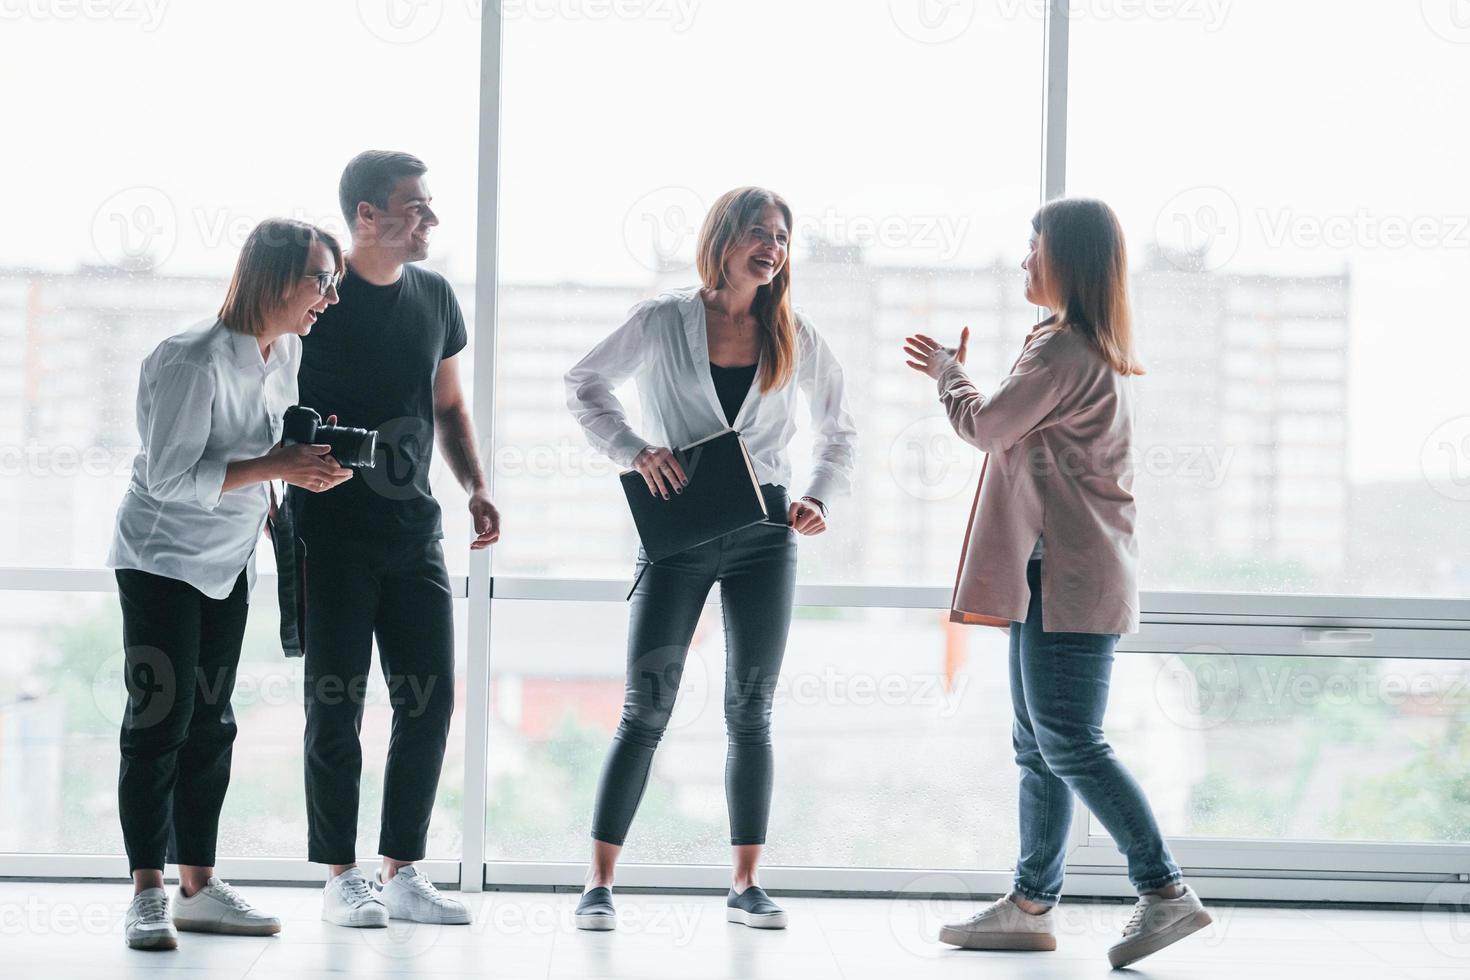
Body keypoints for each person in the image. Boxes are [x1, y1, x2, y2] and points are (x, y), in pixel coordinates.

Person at [902, 197, 1212, 968]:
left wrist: (949, 373)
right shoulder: (1063, 344)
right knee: (1038, 745)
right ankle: (1030, 904)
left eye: (1032, 248)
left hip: (1070, 578)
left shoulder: (1066, 353)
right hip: (1054, 576)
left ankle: (1166, 892)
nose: (1022, 261)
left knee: (1068, 742)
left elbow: (984, 427)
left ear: (1065, 260)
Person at [564, 186, 857, 931]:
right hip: (680, 533)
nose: (772, 246)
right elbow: (584, 384)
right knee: (646, 707)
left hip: (766, 535)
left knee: (749, 709)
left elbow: (838, 431)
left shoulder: (796, 334)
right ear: (723, 238)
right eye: (758, 232)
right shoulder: (664, 320)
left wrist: (819, 498)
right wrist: (633, 450)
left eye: (783, 237)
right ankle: (597, 886)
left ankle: (746, 883)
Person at [108, 219, 351, 950]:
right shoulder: (189, 360)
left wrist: (306, 454)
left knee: (211, 724)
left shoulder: (289, 352)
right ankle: (147, 892)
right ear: (276, 278)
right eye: (321, 280)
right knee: (159, 723)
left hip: (229, 559)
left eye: (334, 281)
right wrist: (280, 465)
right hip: (161, 560)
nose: (331, 297)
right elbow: (169, 478)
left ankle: (197, 887)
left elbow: (260, 448)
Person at [289, 150, 500, 928]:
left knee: (430, 699)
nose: (431, 221)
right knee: (335, 701)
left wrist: (476, 484)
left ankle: (401, 869)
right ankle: (342, 876)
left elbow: (448, 405)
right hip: (329, 529)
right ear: (366, 217)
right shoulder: (316, 301)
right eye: (415, 207)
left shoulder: (437, 296)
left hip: (415, 527)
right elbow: (269, 394)